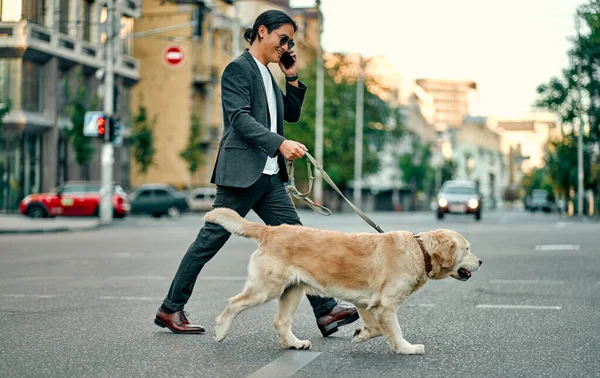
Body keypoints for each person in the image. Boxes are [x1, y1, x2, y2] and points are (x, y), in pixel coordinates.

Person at [154, 9, 359, 337]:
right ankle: (170, 308)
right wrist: (279, 144)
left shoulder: (268, 74)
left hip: (268, 179)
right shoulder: (238, 69)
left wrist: (291, 77)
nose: (286, 46)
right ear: (262, 31)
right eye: (283, 38)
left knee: (300, 241)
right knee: (208, 242)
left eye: (291, 41)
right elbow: (239, 119)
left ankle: (326, 311)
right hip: (241, 174)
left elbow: (290, 114)